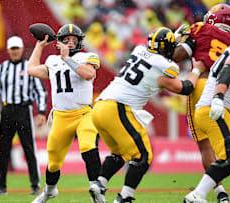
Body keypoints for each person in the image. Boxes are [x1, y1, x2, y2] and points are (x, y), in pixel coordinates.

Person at [88, 27, 205, 203]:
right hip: (117, 108)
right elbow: (186, 87)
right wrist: (196, 70)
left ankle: (99, 184)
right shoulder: (163, 69)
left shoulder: (140, 50)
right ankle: (125, 197)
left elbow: (159, 51)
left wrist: (178, 38)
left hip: (100, 108)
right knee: (143, 156)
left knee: (120, 154)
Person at [173, 4, 230, 202]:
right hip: (228, 91)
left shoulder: (201, 29)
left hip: (203, 86)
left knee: (205, 146)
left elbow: (178, 56)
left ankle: (218, 192)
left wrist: (174, 42)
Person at [27, 24, 102, 203]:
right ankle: (49, 191)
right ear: (59, 42)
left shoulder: (87, 56)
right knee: (53, 160)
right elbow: (31, 69)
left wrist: (67, 59)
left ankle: (97, 190)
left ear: (79, 42)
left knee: (87, 145)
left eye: (73, 40)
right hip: (61, 116)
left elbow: (88, 74)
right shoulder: (53, 61)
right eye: (66, 40)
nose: (69, 43)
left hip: (84, 113)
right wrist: (39, 46)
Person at [184, 24, 230, 203]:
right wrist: (218, 99)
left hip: (223, 110)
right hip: (213, 109)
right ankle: (197, 195)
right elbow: (226, 74)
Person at [0, 35, 47, 195]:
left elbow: (40, 91)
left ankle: (34, 185)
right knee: (3, 150)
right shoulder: (1, 68)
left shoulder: (30, 67)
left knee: (28, 148)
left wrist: (41, 111)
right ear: (8, 50)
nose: (15, 51)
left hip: (23, 110)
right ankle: (1, 186)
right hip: (7, 111)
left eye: (17, 48)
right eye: (12, 49)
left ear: (21, 49)